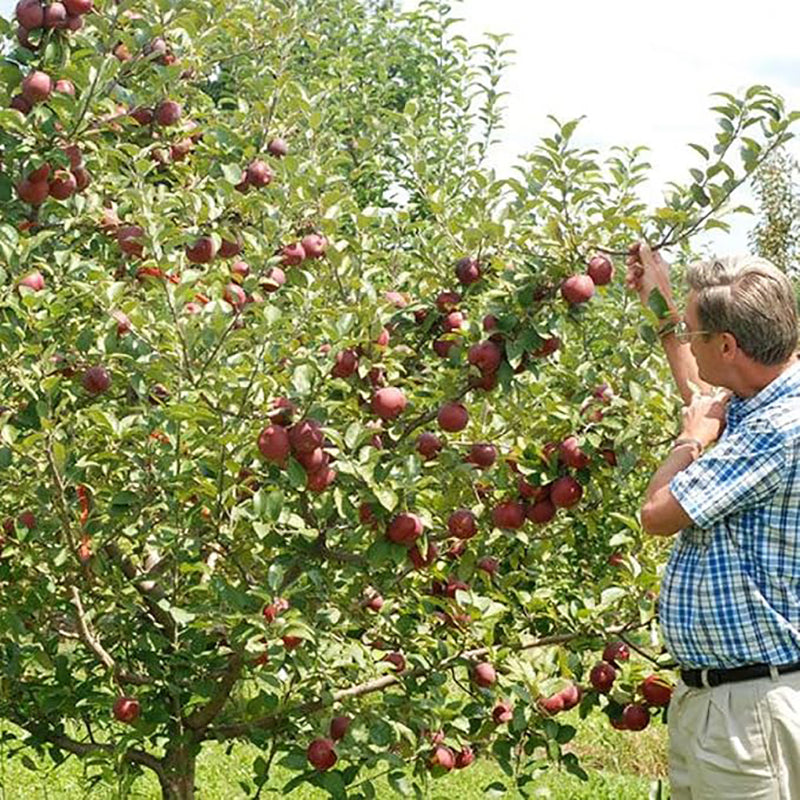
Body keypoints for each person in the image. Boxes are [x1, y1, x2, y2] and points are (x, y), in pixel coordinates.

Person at [626, 242, 800, 800]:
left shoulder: (778, 428)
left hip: (751, 715)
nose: (688, 339)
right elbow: (704, 397)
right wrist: (661, 306)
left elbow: (658, 513)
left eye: (695, 332)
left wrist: (687, 442)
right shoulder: (765, 400)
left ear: (728, 344)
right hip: (731, 704)